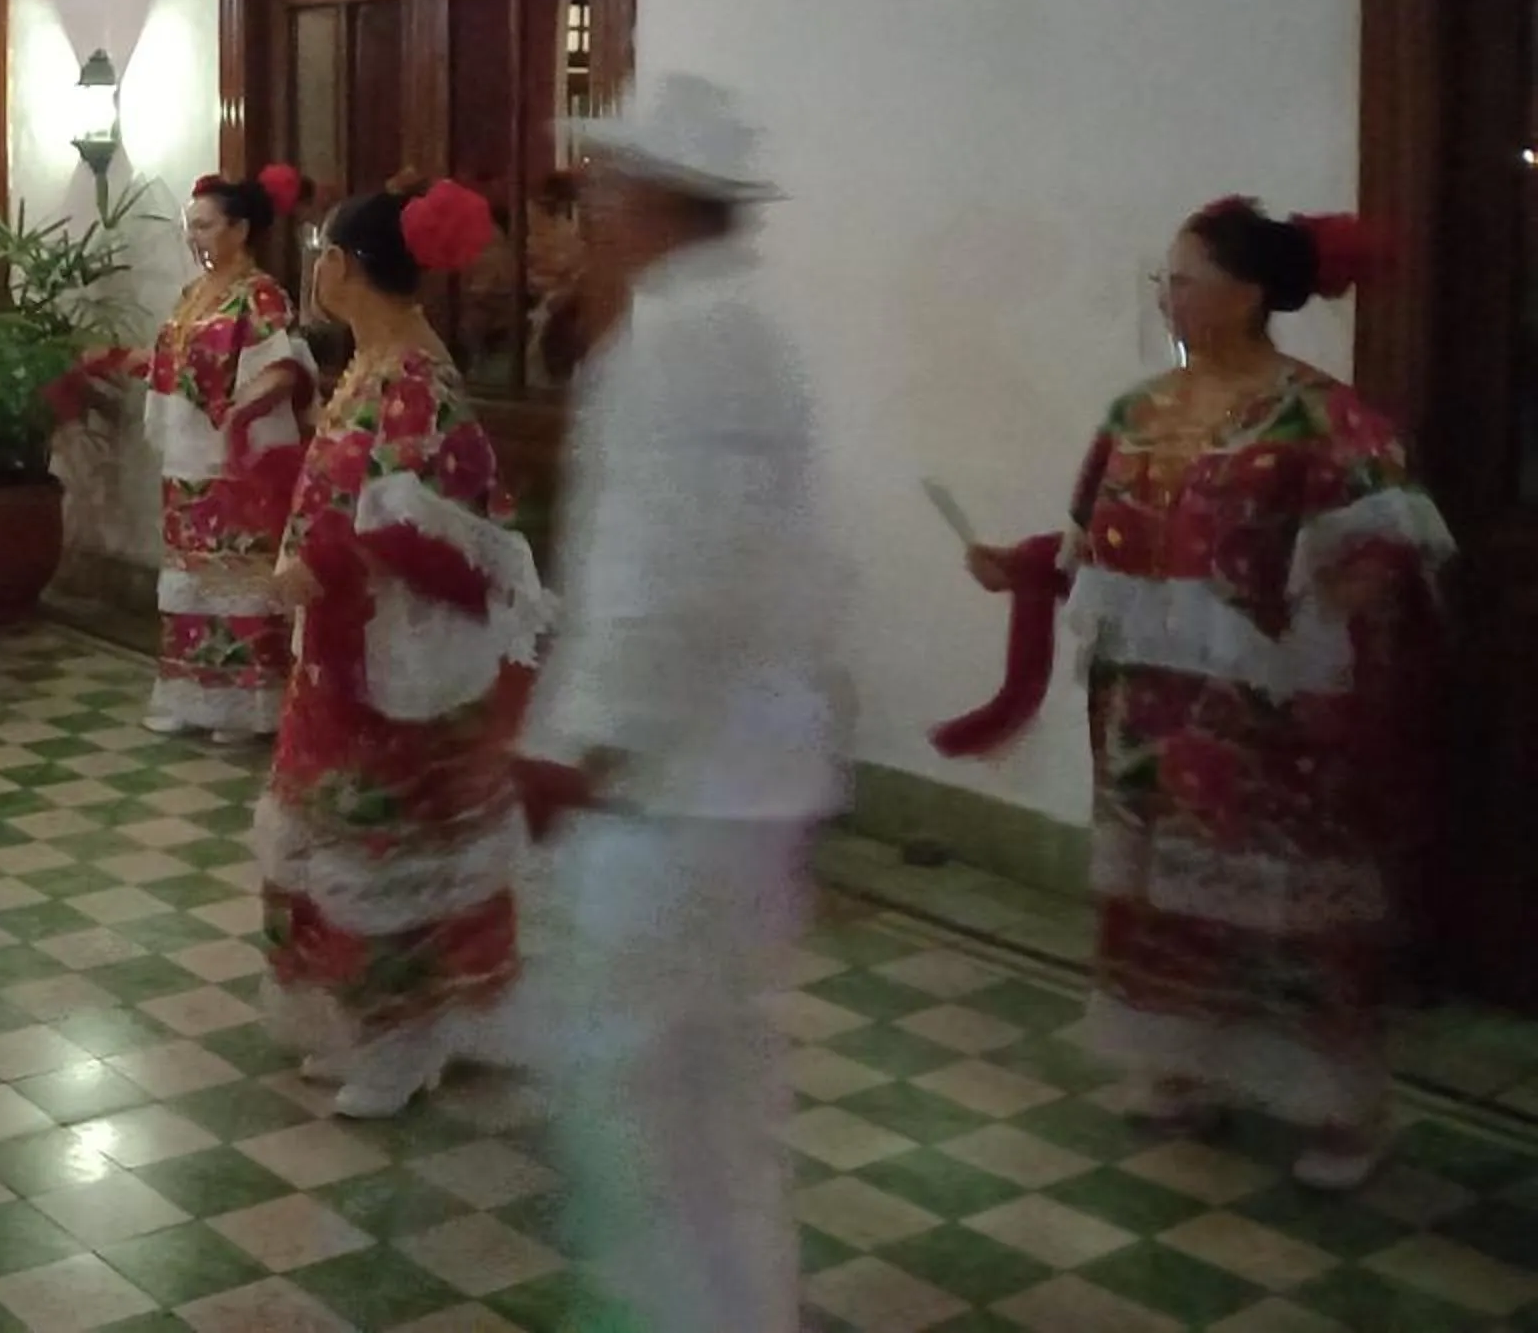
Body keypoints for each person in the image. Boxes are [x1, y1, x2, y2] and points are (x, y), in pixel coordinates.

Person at [954, 195, 1450, 1191]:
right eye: (1165, 281)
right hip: (1148, 706)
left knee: (1292, 907)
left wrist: (1320, 612)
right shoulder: (1136, 413)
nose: (1168, 298)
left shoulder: (1321, 416)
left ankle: (1344, 1108)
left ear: (1250, 292)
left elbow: (1395, 547)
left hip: (1272, 718)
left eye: (1185, 280)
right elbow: (1093, 539)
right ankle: (1184, 1067)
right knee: (1166, 897)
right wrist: (1023, 567)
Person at [514, 73, 847, 1333]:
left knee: (643, 1090)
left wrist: (574, 747)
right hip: (750, 777)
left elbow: (659, 584)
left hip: (673, 791)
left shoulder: (673, 344)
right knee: (723, 1085)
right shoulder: (753, 331)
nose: (594, 208)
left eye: (608, 186)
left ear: (655, 200)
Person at [260, 175, 550, 1120]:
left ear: (341, 268)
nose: (316, 272)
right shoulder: (368, 366)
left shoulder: (416, 383)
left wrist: (327, 565)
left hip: (401, 663)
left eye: (318, 258)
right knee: (339, 833)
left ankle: (407, 1039)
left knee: (391, 844)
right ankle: (370, 1025)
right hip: (345, 652)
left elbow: (444, 530)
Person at [144, 167, 315, 742]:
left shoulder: (260, 295)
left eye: (206, 226)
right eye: (190, 227)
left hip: (233, 455)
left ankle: (243, 705)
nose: (195, 238)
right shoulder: (193, 294)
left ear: (240, 230)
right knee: (192, 577)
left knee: (236, 578)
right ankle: (191, 694)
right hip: (187, 451)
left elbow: (283, 369)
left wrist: (239, 414)